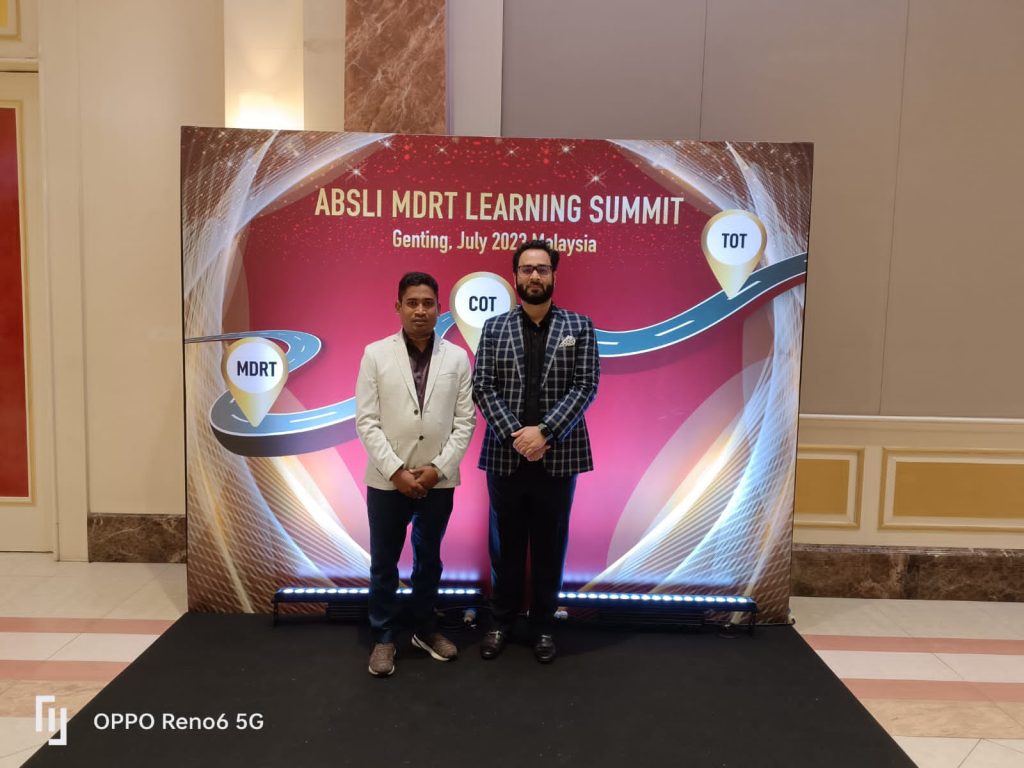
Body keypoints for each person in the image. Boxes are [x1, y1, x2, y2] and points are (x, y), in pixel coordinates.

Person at [472, 239, 599, 663]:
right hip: (506, 456)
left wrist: (544, 432)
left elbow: (586, 386)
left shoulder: (579, 326)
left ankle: (543, 626)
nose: (534, 276)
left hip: (559, 457)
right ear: (515, 276)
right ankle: (501, 623)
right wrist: (517, 435)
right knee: (505, 548)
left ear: (554, 275)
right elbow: (482, 387)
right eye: (527, 269)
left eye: (542, 269)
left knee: (550, 547)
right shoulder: (494, 328)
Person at [355, 272, 476, 677]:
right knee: (384, 564)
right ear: (398, 307)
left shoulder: (457, 358)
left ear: (439, 308)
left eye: (428, 303)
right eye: (412, 303)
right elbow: (366, 421)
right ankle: (384, 637)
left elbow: (465, 421)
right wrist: (395, 472)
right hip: (387, 481)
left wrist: (438, 469)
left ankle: (425, 629)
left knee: (429, 561)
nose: (420, 310)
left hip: (437, 481)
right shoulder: (375, 354)